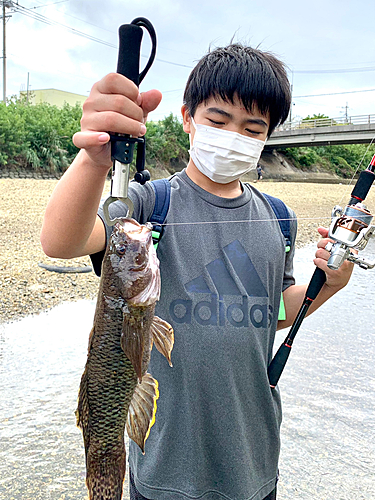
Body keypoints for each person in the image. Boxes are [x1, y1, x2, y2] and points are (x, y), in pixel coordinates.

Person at [41, 44, 353, 500]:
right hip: (166, 464)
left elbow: (274, 311)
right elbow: (61, 240)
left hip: (253, 460)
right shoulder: (149, 206)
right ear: (187, 118)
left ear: (268, 136)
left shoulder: (280, 218)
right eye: (218, 120)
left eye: (253, 128)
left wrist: (331, 283)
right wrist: (95, 159)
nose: (233, 135)